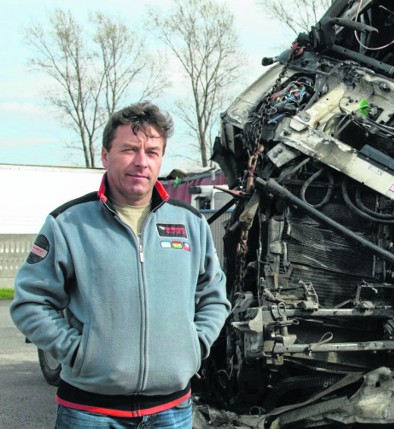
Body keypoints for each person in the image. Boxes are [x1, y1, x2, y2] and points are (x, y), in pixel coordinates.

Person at [10, 101, 231, 429]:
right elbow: (31, 303)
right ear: (105, 155)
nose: (141, 162)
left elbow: (214, 295)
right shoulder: (68, 224)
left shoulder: (190, 224)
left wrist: (194, 346)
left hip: (172, 411)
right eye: (129, 149)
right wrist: (78, 353)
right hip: (90, 412)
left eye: (152, 152)